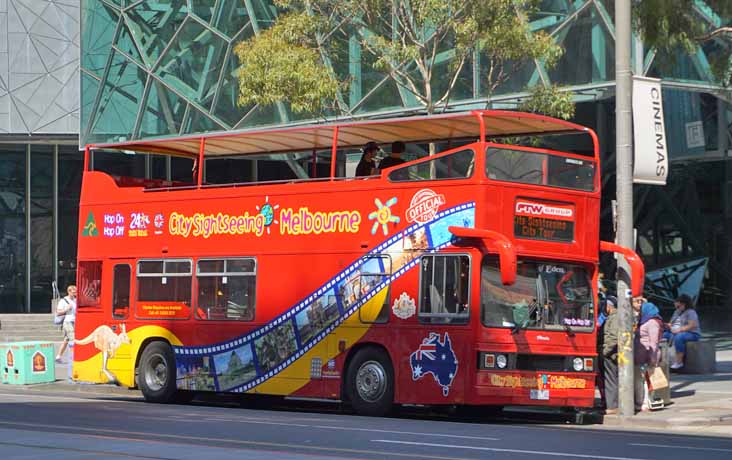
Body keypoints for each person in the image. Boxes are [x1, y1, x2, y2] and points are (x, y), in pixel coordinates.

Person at [633, 298, 663, 412]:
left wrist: (652, 358)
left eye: (642, 310)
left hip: (647, 356)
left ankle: (645, 402)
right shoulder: (645, 321)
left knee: (646, 381)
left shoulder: (652, 323)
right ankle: (640, 402)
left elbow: (653, 343)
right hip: (641, 355)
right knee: (640, 380)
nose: (640, 312)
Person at [664, 294, 701, 370]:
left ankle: (679, 361)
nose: (677, 308)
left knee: (679, 337)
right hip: (674, 332)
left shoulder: (691, 312)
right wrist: (668, 325)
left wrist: (679, 330)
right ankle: (663, 360)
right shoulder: (676, 312)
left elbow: (692, 325)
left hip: (691, 333)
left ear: (684, 304)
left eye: (678, 306)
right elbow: (672, 323)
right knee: (663, 335)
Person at [601, 296, 619, 414]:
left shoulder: (615, 318)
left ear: (608, 307)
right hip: (612, 353)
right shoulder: (613, 317)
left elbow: (613, 337)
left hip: (611, 354)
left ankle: (612, 406)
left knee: (611, 380)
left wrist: (605, 352)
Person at [55, 285, 77, 363]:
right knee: (73, 339)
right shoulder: (63, 300)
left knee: (66, 340)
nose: (75, 293)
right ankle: (73, 358)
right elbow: (58, 312)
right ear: (69, 292)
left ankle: (58, 356)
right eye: (73, 292)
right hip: (68, 322)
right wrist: (66, 309)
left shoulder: (75, 300)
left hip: (75, 322)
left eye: (75, 292)